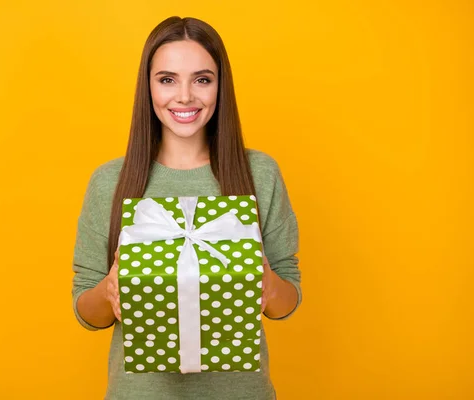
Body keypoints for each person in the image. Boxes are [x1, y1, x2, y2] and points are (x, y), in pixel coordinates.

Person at [71, 16, 302, 400]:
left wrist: (266, 283)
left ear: (219, 87)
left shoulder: (259, 174)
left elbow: (286, 300)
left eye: (202, 79)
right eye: (167, 79)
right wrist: (109, 290)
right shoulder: (110, 182)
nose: (184, 96)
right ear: (148, 88)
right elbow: (86, 311)